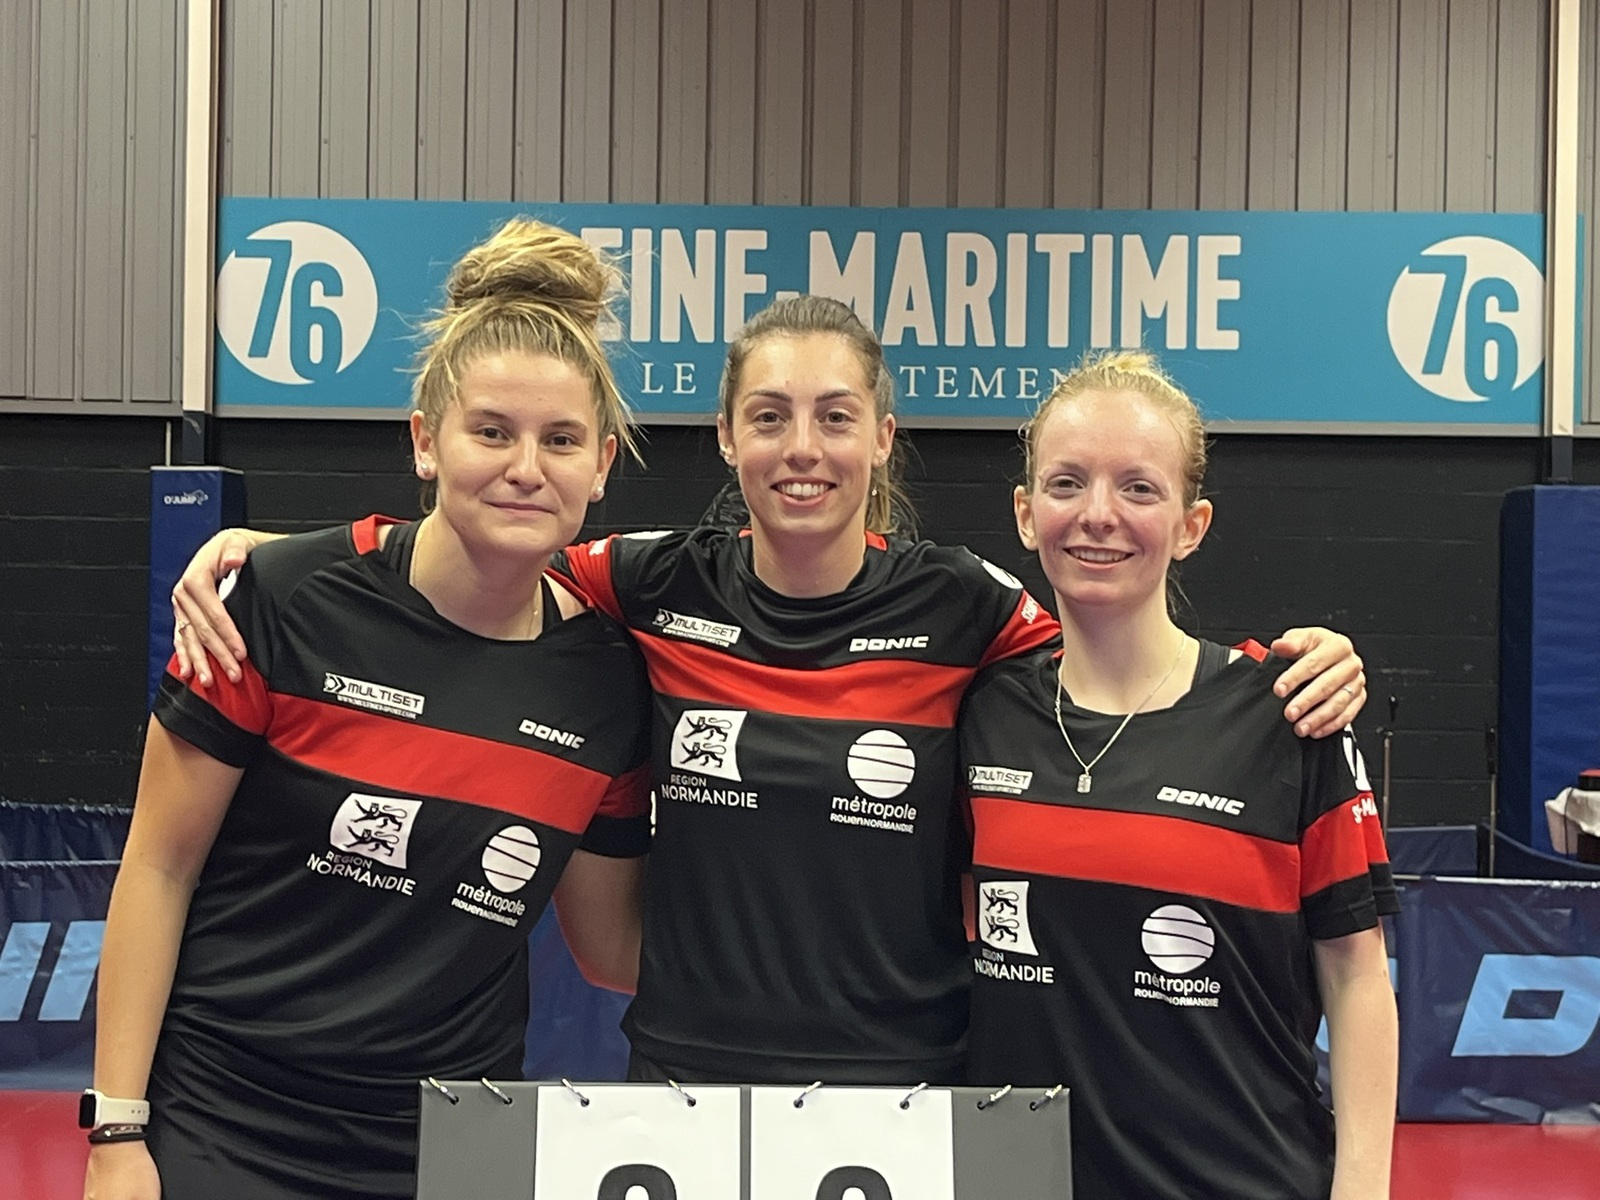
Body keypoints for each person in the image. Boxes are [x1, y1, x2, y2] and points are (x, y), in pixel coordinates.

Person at [169, 296, 1369, 1088]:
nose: (803, 447)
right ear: (727, 438)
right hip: (685, 1075)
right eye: (770, 416)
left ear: (881, 437)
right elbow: (487, 543)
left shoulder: (966, 607)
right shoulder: (645, 583)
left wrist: (1293, 664)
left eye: (835, 418)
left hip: (907, 1082)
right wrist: (289, 553)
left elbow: (1122, 651)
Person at [84, 219, 653, 1200]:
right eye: (491, 431)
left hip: (456, 1140)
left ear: (601, 464)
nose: (526, 466)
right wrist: (116, 1130)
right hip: (228, 1121)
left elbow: (611, 948)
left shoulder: (607, 680)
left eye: (560, 440)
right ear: (426, 441)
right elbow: (158, 866)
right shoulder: (278, 603)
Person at [959, 350, 1397, 1199]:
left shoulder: (1288, 713)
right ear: (1025, 513)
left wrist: (1363, 1190)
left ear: (1191, 525)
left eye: (1138, 488)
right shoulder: (982, 711)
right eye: (1066, 483)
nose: (1098, 515)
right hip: (1019, 1182)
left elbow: (1357, 977)